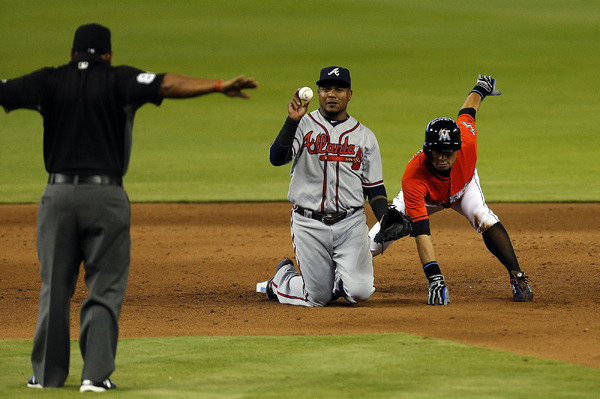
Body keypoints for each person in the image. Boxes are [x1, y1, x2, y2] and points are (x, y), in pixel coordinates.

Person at [0, 23, 257, 391]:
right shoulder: (120, 78)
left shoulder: (49, 80)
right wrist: (218, 86)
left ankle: (45, 377)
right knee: (105, 286)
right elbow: (167, 83)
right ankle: (94, 376)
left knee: (54, 287)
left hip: (57, 197)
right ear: (108, 55)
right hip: (106, 197)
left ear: (72, 53)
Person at [368, 75, 533, 305]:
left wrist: (480, 88)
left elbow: (468, 111)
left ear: (458, 148)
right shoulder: (414, 176)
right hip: (425, 196)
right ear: (427, 150)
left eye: (449, 151)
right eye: (438, 151)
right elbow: (422, 233)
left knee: (483, 217)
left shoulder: (467, 141)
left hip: (463, 187)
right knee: (375, 239)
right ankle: (340, 271)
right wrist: (434, 278)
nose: (444, 157)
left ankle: (517, 276)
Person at [258, 66, 392, 307]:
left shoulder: (365, 137)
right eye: (326, 89)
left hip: (350, 224)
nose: (332, 94)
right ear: (318, 93)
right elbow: (276, 158)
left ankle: (341, 278)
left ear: (349, 94)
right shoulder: (302, 125)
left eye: (339, 89)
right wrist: (291, 121)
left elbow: (375, 189)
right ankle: (281, 279)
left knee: (360, 293)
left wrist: (385, 217)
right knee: (318, 297)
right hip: (309, 224)